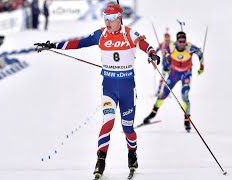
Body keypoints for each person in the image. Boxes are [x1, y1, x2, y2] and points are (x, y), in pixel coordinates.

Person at [33, 4, 160, 178]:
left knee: (127, 127)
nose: (107, 21)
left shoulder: (129, 33)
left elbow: (144, 45)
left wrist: (152, 54)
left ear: (119, 18)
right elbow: (79, 43)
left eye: (110, 18)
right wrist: (54, 45)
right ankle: (101, 160)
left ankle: (132, 153)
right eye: (104, 18)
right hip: (108, 88)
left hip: (127, 89)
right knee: (107, 122)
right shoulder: (100, 34)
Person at [143, 31, 204, 132]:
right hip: (174, 74)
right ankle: (153, 113)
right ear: (177, 41)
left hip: (186, 74)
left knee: (184, 95)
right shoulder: (171, 47)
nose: (182, 43)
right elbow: (166, 59)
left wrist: (201, 66)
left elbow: (200, 53)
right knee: (164, 93)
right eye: (180, 41)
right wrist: (165, 68)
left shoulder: (190, 47)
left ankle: (186, 119)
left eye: (183, 41)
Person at [155, 31, 174, 96]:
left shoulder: (173, 44)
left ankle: (167, 92)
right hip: (165, 64)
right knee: (163, 77)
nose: (167, 40)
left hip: (172, 64)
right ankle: (159, 91)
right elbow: (155, 51)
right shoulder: (162, 44)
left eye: (168, 39)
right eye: (166, 39)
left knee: (169, 79)